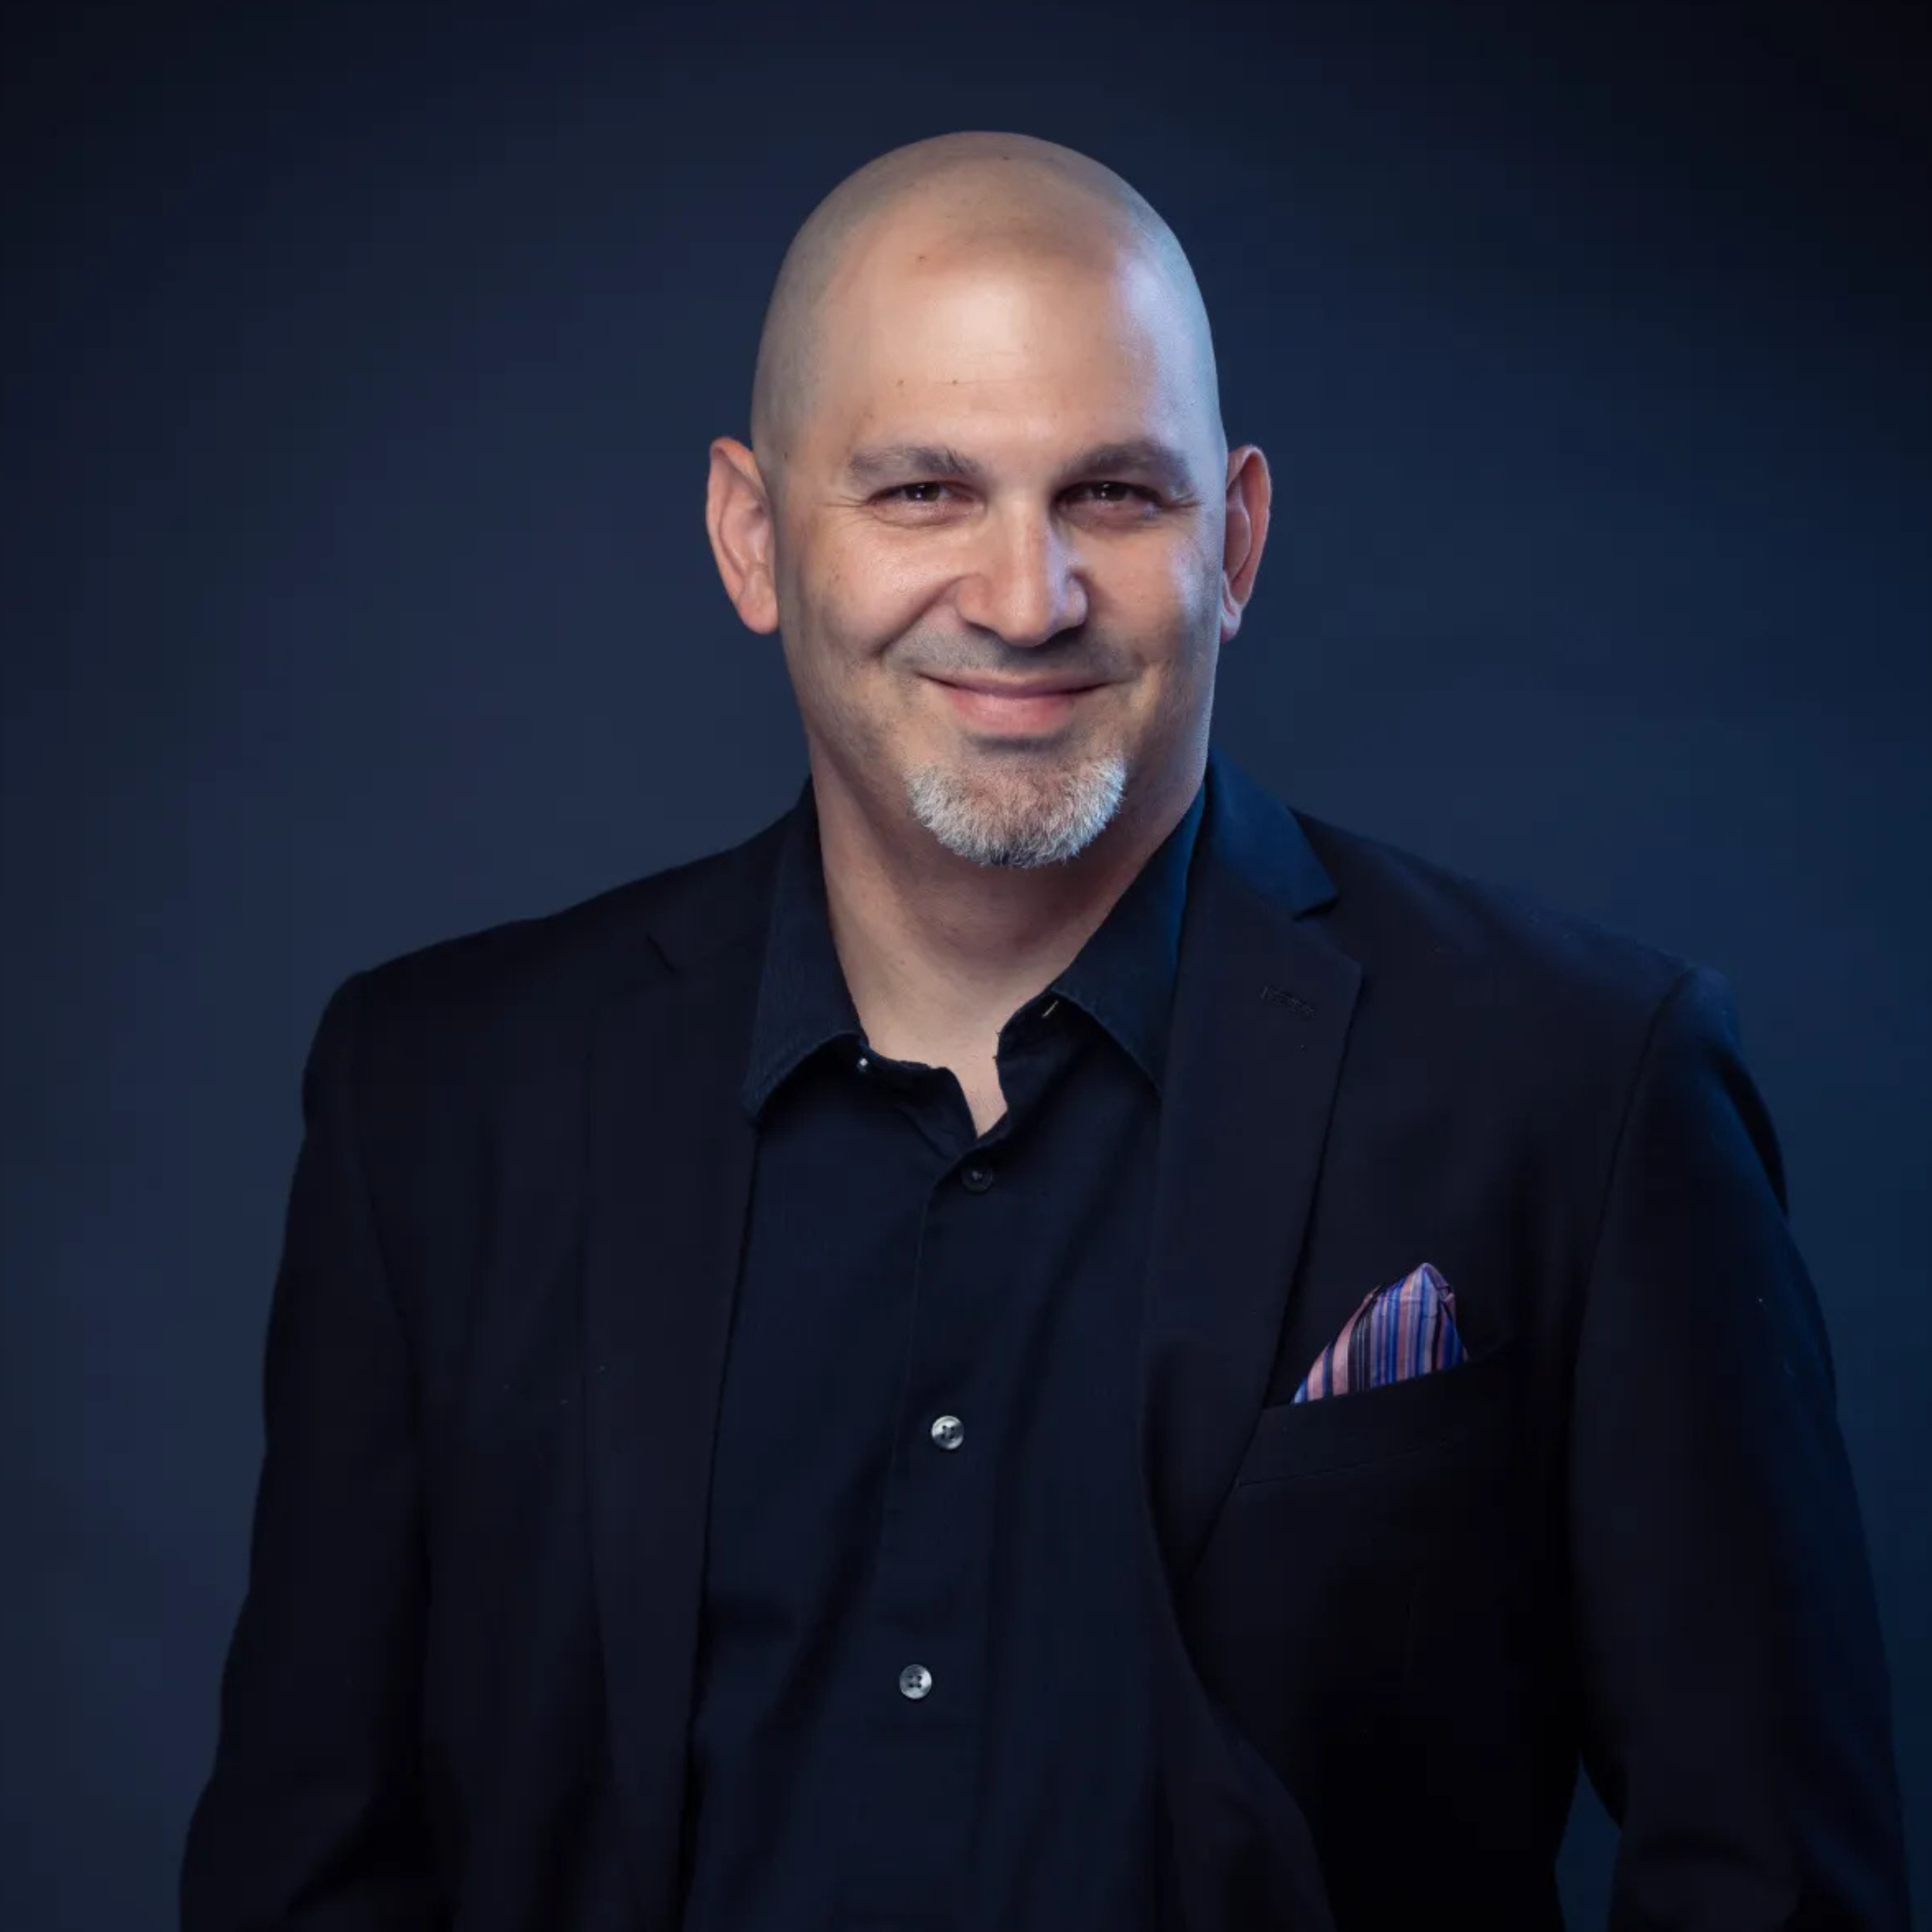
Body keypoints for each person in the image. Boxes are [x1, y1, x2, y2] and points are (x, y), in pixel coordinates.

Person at [180, 131, 1909, 1931]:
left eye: (1111, 494)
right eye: (923, 492)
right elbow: (309, 1877)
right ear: (751, 537)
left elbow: (1771, 1877)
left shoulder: (1577, 1082)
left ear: (1232, 536)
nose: (1024, 599)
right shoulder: (438, 1097)